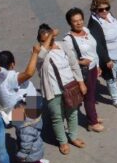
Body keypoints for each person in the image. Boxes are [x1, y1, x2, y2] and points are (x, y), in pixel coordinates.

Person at [0, 47, 47, 163]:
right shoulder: (11, 77)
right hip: (26, 107)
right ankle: (31, 160)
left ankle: (29, 157)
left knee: (23, 134)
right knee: (31, 133)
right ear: (12, 64)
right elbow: (29, 73)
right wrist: (35, 53)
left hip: (19, 107)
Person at [35, 24, 87, 155]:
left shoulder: (62, 45)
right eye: (44, 40)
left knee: (72, 113)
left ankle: (73, 137)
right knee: (57, 117)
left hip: (70, 86)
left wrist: (81, 83)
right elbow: (41, 56)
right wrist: (50, 36)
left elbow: (74, 64)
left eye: (51, 39)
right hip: (53, 91)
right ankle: (63, 141)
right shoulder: (39, 52)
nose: (49, 43)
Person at [64, 8, 103, 134]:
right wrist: (81, 62)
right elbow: (67, 59)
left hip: (92, 68)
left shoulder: (86, 30)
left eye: (80, 20)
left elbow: (93, 50)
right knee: (88, 96)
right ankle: (92, 123)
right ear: (70, 23)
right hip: (82, 71)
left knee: (91, 94)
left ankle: (93, 116)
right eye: (75, 21)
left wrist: (97, 65)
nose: (79, 23)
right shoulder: (68, 40)